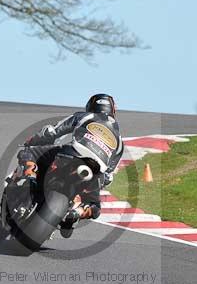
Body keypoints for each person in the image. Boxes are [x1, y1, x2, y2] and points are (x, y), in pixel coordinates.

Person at [13, 93, 123, 238]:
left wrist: (33, 140)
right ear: (113, 110)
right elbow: (108, 176)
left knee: (30, 153)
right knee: (95, 207)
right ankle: (77, 212)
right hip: (96, 171)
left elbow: (53, 132)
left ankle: (29, 178)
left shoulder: (85, 116)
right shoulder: (120, 142)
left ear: (91, 106)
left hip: (72, 154)